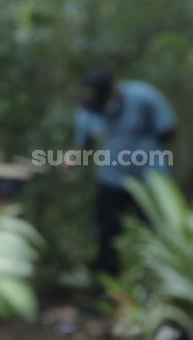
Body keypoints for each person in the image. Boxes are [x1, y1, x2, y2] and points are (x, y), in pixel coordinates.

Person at [73, 70, 177, 275]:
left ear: (113, 95)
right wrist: (71, 160)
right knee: (107, 233)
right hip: (112, 178)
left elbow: (168, 129)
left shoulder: (144, 97)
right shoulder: (87, 110)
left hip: (150, 180)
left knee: (152, 233)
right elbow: (85, 144)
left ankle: (153, 286)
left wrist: (144, 151)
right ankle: (106, 288)